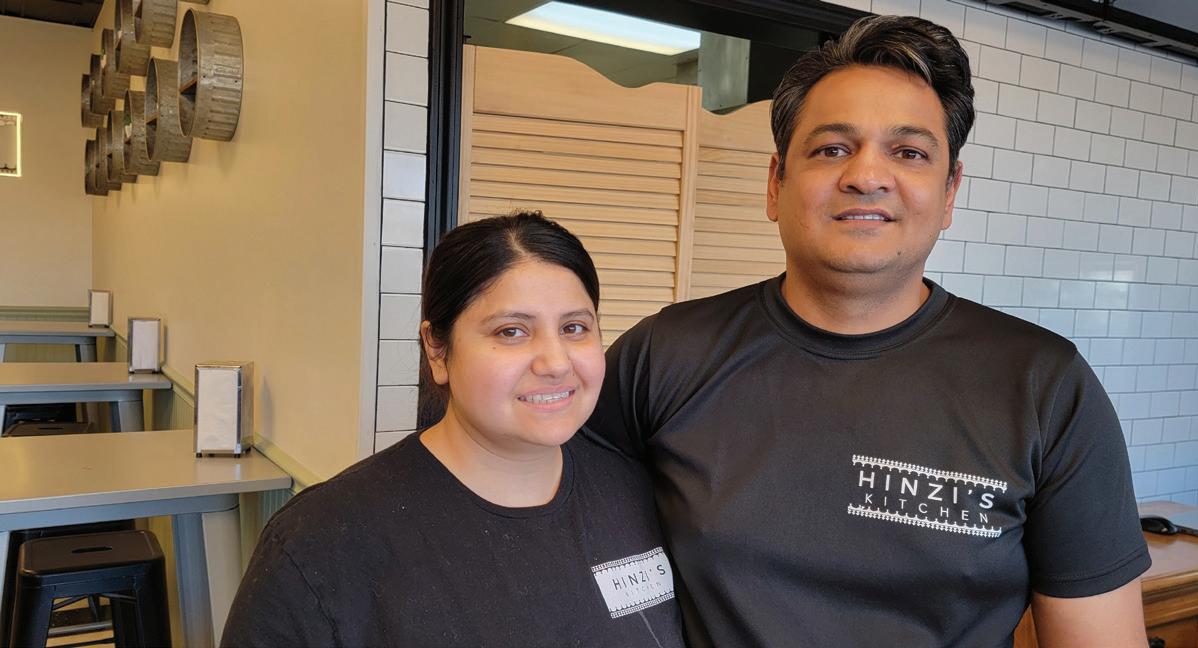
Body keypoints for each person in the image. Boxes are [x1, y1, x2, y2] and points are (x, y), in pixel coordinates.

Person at [585, 15, 1150, 648]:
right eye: (832, 149)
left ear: (949, 192)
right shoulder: (664, 354)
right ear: (775, 183)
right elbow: (538, 516)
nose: (867, 175)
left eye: (909, 153)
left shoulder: (1045, 386)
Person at [222, 212, 684, 647]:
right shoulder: (322, 542)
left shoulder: (638, 493)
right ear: (438, 351)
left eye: (575, 327)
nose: (556, 362)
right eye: (511, 331)